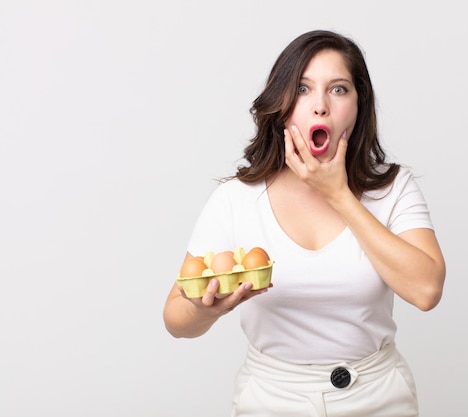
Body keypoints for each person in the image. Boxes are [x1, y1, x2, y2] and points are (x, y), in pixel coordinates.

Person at [163, 29, 446, 416]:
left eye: (339, 89)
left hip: (379, 397)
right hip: (272, 399)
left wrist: (339, 196)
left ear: (359, 104)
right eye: (302, 89)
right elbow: (176, 319)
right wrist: (206, 311)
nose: (320, 107)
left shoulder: (393, 187)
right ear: (282, 103)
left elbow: (426, 290)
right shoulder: (237, 198)